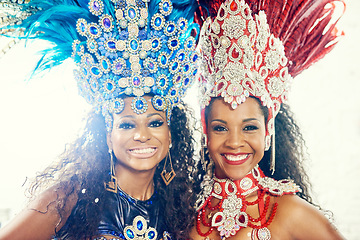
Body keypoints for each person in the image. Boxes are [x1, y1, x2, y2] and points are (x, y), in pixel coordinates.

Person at [0, 0, 200, 239]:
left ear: (170, 135)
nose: (142, 135)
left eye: (155, 122)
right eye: (126, 124)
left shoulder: (179, 211)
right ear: (108, 137)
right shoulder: (68, 198)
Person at [190, 0, 345, 239]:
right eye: (220, 128)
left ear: (268, 128)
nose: (234, 142)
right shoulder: (183, 209)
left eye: (249, 127)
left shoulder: (289, 212)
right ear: (205, 130)